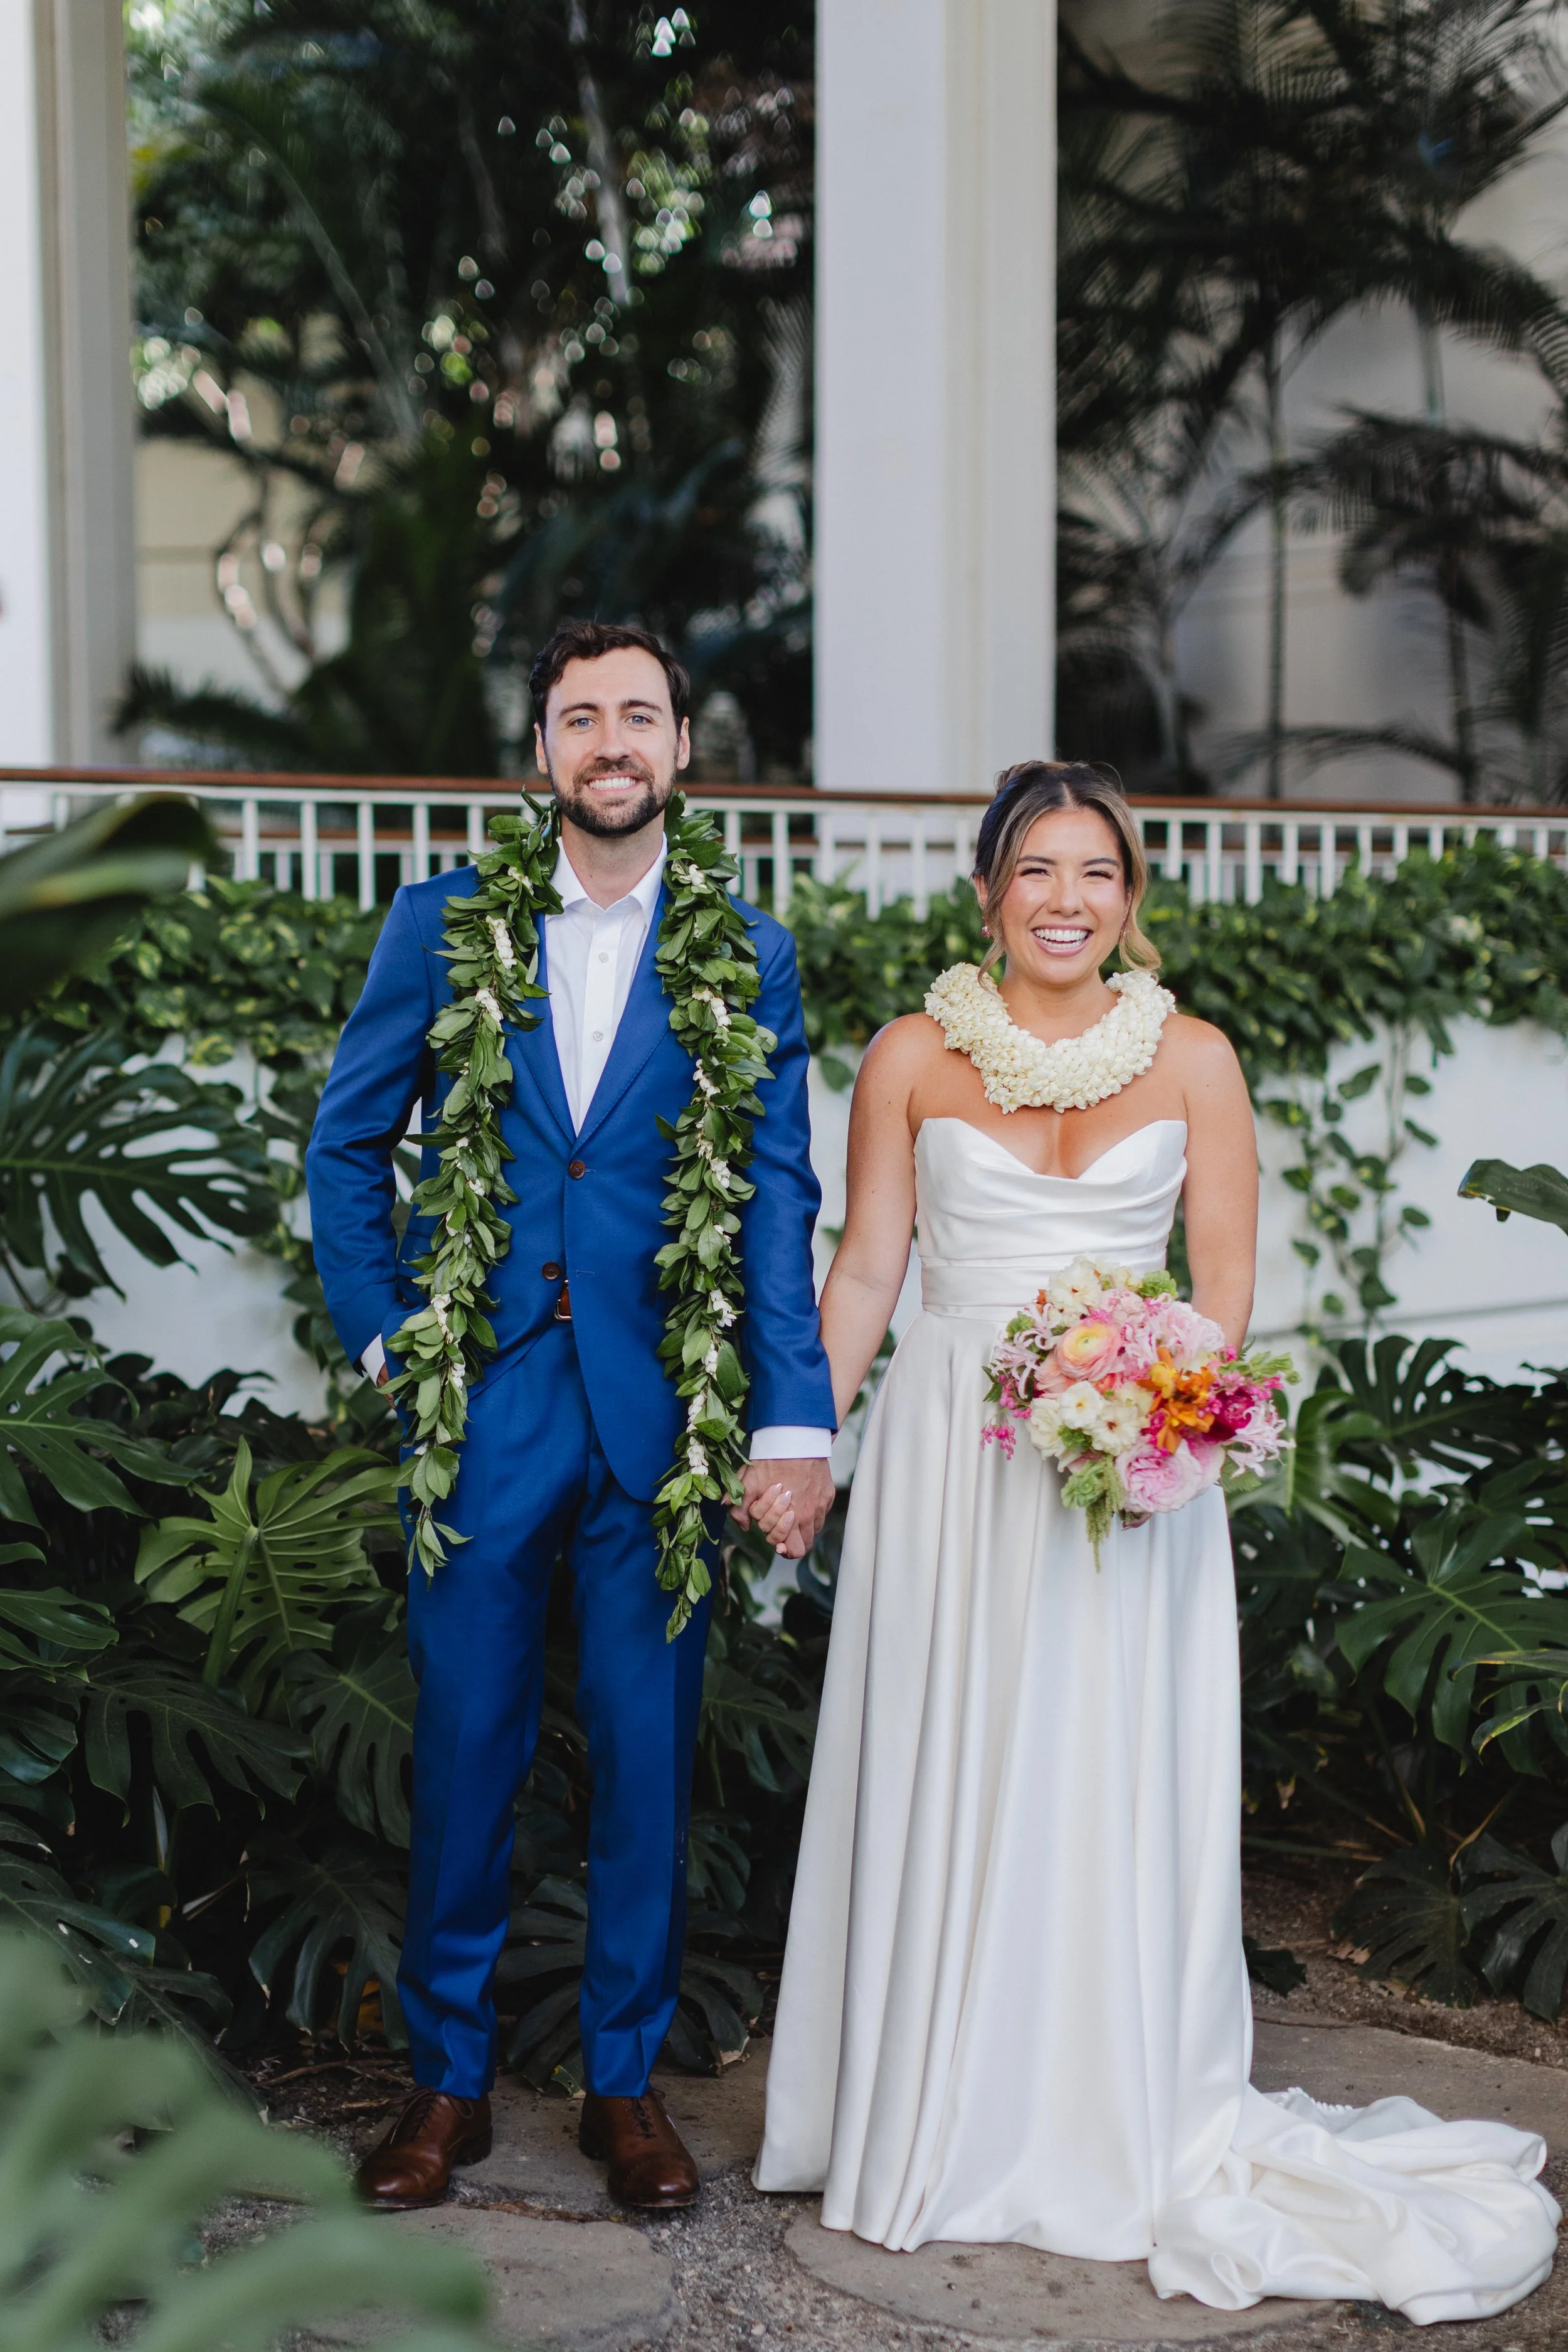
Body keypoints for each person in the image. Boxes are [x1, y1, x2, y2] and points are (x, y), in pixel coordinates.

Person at [753, 762, 1559, 2325]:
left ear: (1131, 897)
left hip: (1129, 1475)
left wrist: (1149, 1416)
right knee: (954, 1758)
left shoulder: (1193, 1056)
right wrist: (806, 1444)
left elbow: (1226, 1288)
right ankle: (935, 2103)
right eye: (1036, 870)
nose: (1066, 900)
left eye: (1097, 874)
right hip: (946, 1469)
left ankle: (1105, 2114)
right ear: (985, 890)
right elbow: (862, 1268)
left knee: (1096, 1773)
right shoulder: (909, 1055)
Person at [305, 619, 835, 2213]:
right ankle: (444, 2083)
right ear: (542, 751)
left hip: (660, 1413)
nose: (610, 741)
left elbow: (770, 1197)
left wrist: (790, 1419)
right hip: (488, 1403)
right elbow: (346, 1148)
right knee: (465, 1747)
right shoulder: (440, 920)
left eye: (638, 714)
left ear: (682, 746)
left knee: (644, 1756)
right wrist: (396, 1344)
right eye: (578, 715)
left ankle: (623, 2083)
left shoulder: (749, 952)